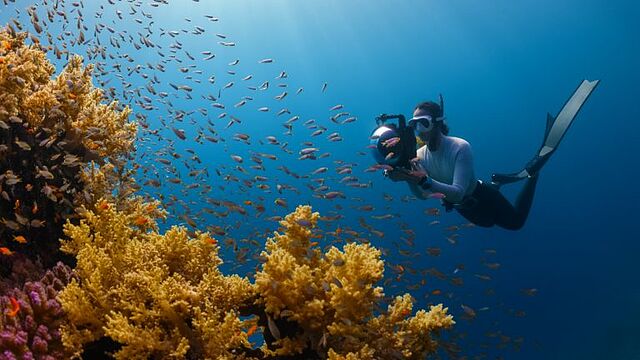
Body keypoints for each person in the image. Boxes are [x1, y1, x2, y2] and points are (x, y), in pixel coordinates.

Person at [386, 79, 599, 230]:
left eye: (424, 123)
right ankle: (498, 182)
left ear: (438, 123)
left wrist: (424, 181)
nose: (419, 129)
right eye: (415, 124)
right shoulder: (419, 156)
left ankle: (532, 175)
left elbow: (458, 191)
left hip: (479, 194)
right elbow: (422, 196)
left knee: (515, 223)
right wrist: (409, 179)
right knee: (487, 225)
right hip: (463, 208)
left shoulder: (460, 147)